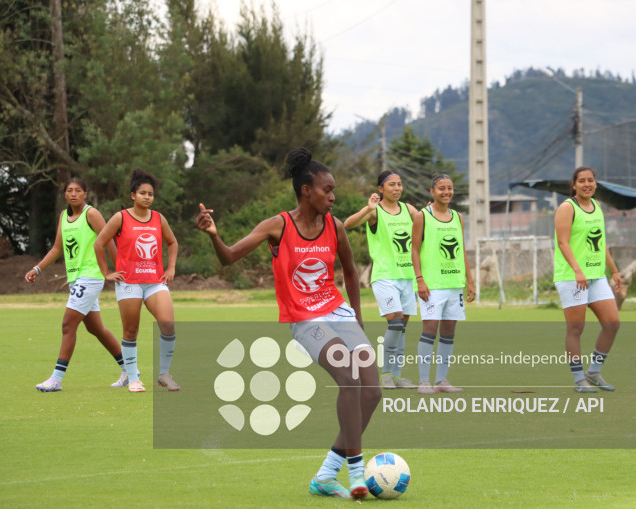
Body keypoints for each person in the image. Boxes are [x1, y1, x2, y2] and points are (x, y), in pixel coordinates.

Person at [196, 148, 381, 500]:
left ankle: (326, 475)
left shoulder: (335, 225)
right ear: (305, 191)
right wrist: (213, 235)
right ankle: (357, 471)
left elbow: (352, 273)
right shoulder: (277, 226)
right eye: (327, 190)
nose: (333, 196)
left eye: (333, 190)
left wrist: (357, 318)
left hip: (338, 313)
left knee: (372, 391)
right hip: (304, 319)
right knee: (349, 377)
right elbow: (229, 257)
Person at [25, 177, 127, 392]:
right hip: (76, 279)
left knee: (67, 325)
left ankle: (56, 379)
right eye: (69, 190)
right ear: (65, 194)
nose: (73, 194)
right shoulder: (64, 216)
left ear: (85, 194)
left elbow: (108, 240)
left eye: (78, 190)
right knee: (95, 328)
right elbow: (56, 249)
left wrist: (115, 271)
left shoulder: (92, 214)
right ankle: (130, 370)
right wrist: (37, 269)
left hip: (90, 277)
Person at [94, 169, 180, 393]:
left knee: (168, 325)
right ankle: (133, 378)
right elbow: (99, 243)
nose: (147, 197)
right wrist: (106, 273)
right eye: (142, 193)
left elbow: (172, 242)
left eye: (150, 194)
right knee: (131, 331)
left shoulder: (159, 218)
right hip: (129, 283)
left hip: (154, 282)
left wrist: (170, 267)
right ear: (133, 195)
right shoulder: (121, 217)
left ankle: (164, 374)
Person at [343, 171, 419, 390]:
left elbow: (426, 223)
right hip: (384, 276)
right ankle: (386, 375)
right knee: (394, 325)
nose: (397, 188)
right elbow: (348, 224)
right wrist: (368, 208)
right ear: (380, 189)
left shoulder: (408, 209)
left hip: (407, 278)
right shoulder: (375, 212)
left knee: (402, 329)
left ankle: (397, 376)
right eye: (392, 184)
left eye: (399, 184)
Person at [553, 166, 622, 393]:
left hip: (596, 276)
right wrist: (577, 270)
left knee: (612, 324)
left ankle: (593, 372)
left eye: (590, 180)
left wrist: (614, 271)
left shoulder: (597, 207)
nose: (587, 184)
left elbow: (601, 245)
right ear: (574, 185)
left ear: (595, 183)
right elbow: (563, 243)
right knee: (576, 328)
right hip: (572, 277)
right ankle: (578, 378)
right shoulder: (567, 208)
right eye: (581, 181)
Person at [411, 174, 475, 395]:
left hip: (454, 283)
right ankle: (423, 382)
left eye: (449, 188)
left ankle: (441, 381)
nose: (446, 192)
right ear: (432, 192)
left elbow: (462, 250)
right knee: (429, 330)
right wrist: (419, 279)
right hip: (432, 285)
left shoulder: (458, 217)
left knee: (449, 332)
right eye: (441, 188)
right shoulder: (422, 216)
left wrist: (470, 280)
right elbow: (415, 249)